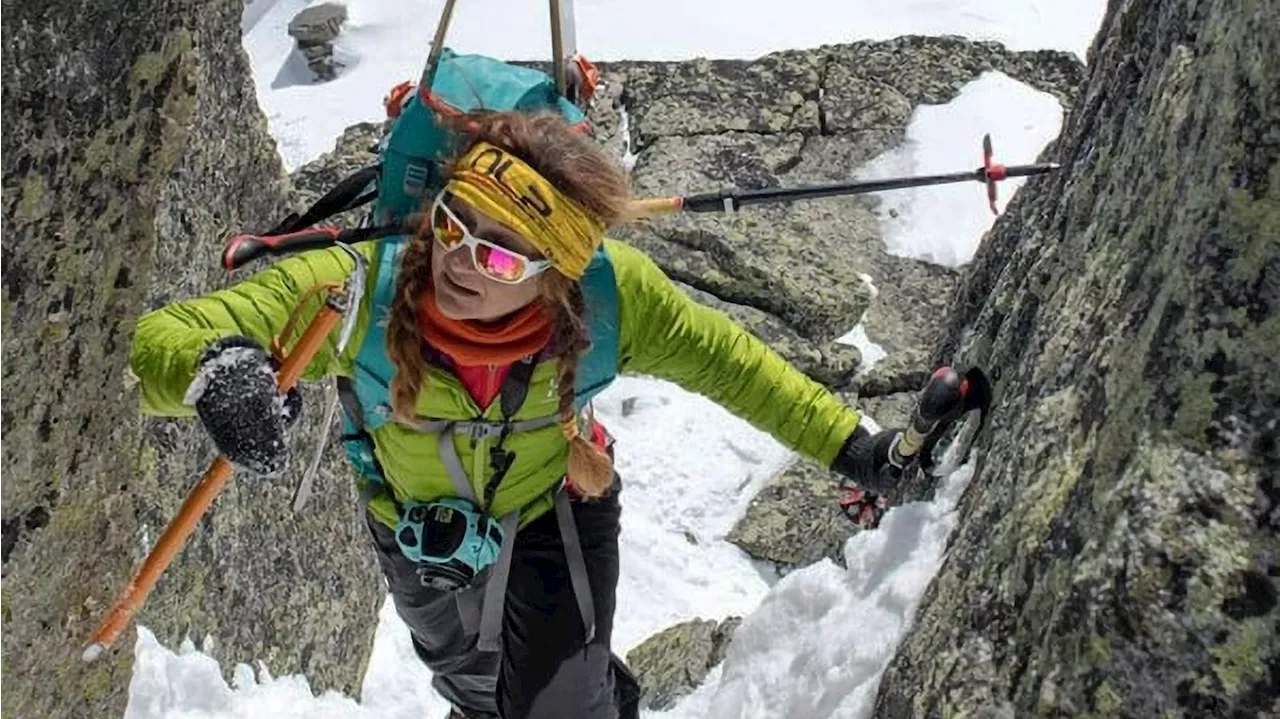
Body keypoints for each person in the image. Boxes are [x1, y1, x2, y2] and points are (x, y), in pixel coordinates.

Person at [129, 110, 903, 719]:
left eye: (502, 255)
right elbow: (164, 338)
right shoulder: (358, 292)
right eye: (454, 224)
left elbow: (740, 368)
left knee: (561, 700)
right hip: (415, 526)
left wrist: (853, 448)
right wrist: (219, 370)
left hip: (553, 505)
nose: (463, 260)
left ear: (556, 276)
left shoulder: (611, 297)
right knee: (473, 684)